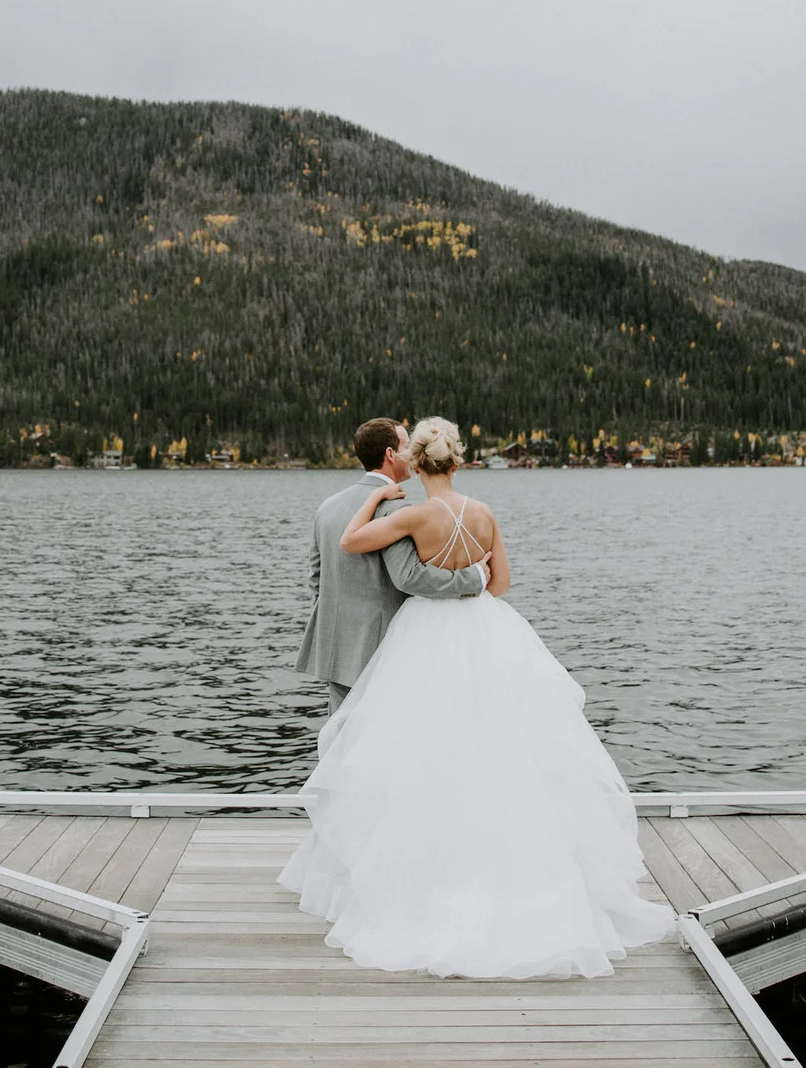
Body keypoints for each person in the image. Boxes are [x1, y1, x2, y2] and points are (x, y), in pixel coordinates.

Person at [279, 416, 674, 979]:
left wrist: (375, 502)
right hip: (487, 632)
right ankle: (514, 861)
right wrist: (474, 579)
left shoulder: (405, 513)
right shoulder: (484, 513)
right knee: (499, 743)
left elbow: (354, 551)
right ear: (457, 460)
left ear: (416, 463)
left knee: (406, 754)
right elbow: (501, 583)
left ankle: (393, 867)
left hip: (417, 638)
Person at [296, 417, 488, 717]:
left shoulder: (328, 506)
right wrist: (473, 578)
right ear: (390, 454)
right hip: (379, 654)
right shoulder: (394, 509)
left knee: (339, 739)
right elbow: (409, 577)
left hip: (334, 650)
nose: (413, 454)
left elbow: (316, 580)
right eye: (407, 446)